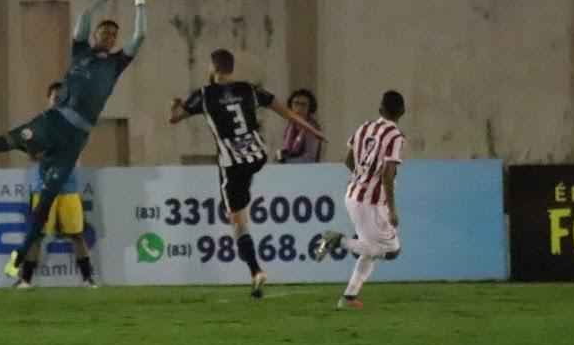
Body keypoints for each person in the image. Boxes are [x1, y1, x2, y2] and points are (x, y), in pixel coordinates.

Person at [0, 0, 147, 279]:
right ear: (96, 35)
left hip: (76, 139)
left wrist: (140, 0)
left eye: (114, 35)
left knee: (45, 203)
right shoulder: (81, 52)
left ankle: (18, 258)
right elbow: (85, 15)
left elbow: (140, 37)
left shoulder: (116, 64)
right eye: (105, 32)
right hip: (53, 121)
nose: (109, 36)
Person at [169, 49, 326, 298]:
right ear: (232, 69)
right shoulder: (249, 89)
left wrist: (175, 106)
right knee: (241, 204)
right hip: (257, 155)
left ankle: (255, 271)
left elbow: (175, 119)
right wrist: (313, 131)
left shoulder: (203, 95)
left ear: (212, 68)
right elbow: (285, 111)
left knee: (238, 223)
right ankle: (254, 270)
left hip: (232, 164)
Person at [314, 90, 407, 309]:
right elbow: (387, 173)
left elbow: (347, 160)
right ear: (402, 111)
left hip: (354, 195)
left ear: (380, 109)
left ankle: (348, 298)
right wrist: (392, 209)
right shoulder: (395, 137)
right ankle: (338, 240)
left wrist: (361, 177)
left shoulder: (365, 127)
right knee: (392, 251)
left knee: (370, 250)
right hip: (372, 203)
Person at [15, 81, 97, 289]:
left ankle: (88, 279)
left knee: (77, 234)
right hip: (43, 187)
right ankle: (25, 280)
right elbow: (32, 153)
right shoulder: (39, 124)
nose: (59, 98)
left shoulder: (76, 123)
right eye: (55, 96)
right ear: (49, 99)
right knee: (37, 235)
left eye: (62, 95)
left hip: (68, 187)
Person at [276, 88, 323, 163]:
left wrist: (286, 161)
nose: (299, 108)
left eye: (303, 105)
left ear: (310, 108)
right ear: (291, 106)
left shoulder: (312, 128)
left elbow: (310, 158)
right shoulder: (290, 126)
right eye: (296, 103)